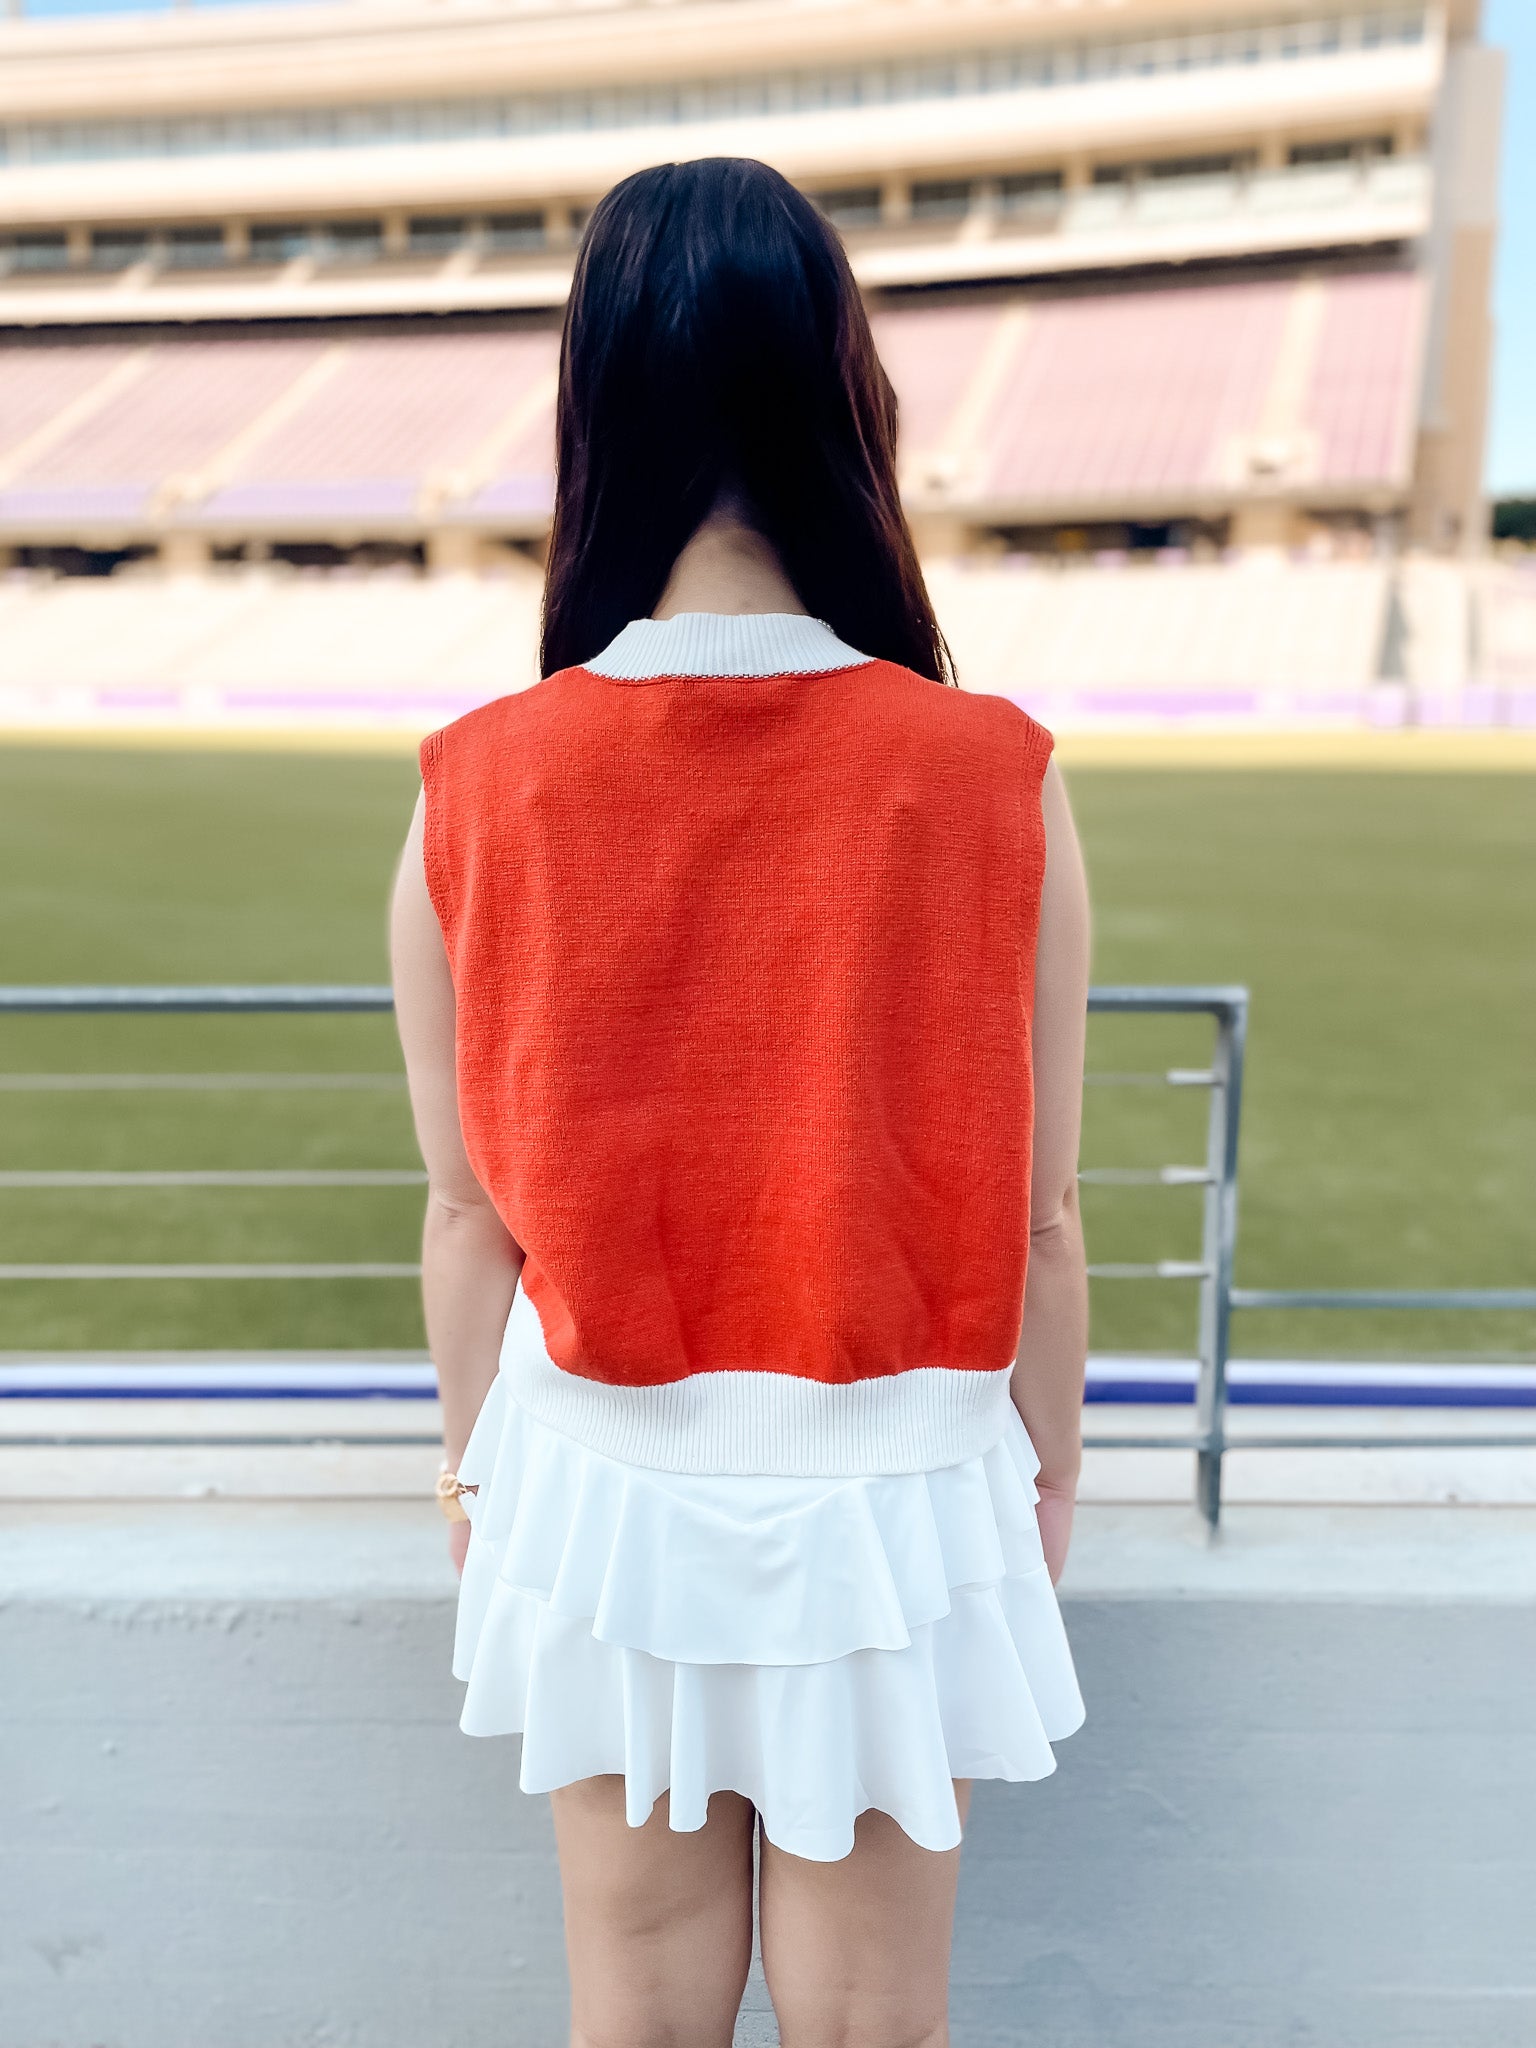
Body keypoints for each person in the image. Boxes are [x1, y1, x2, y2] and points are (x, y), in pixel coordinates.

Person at [390, 155, 1090, 2048]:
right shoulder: (990, 775)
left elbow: (470, 1214)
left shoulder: (477, 784)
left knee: (634, 2009)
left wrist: (471, 1476)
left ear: (594, 404)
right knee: (877, 2022)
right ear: (843, 395)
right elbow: (1036, 1213)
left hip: (597, 1469)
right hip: (906, 1468)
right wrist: (1054, 1480)